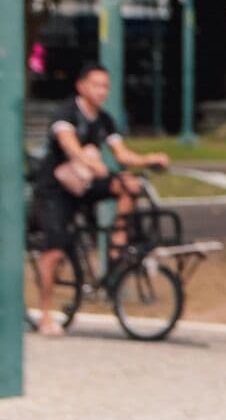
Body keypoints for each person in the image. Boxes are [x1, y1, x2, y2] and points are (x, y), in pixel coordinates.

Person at [29, 63, 171, 334]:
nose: (101, 91)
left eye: (105, 86)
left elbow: (122, 155)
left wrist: (149, 159)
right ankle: (45, 314)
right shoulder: (66, 112)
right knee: (55, 249)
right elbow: (68, 143)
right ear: (81, 86)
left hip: (85, 183)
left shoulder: (105, 120)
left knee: (128, 184)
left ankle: (117, 242)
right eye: (96, 85)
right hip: (56, 188)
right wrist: (88, 160)